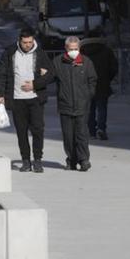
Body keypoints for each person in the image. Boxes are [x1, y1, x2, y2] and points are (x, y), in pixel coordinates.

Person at [0, 28, 54, 173]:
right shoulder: (10, 53)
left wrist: (35, 84)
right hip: (17, 99)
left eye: (30, 42)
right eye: (25, 42)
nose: (27, 45)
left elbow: (51, 73)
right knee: (21, 132)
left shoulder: (40, 53)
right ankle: (26, 160)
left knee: (38, 130)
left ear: (33, 40)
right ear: (19, 41)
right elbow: (1, 74)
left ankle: (38, 160)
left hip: (35, 99)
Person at [50, 37, 97, 171]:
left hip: (82, 105)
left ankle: (84, 160)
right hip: (65, 105)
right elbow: (49, 77)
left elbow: (92, 80)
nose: (73, 51)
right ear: (66, 48)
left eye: (76, 49)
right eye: (71, 49)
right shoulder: (58, 62)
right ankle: (71, 160)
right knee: (68, 136)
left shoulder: (86, 62)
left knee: (81, 134)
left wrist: (88, 95)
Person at [81, 38, 118, 140]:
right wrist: (108, 78)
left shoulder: (82, 51)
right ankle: (101, 128)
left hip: (86, 84)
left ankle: (91, 130)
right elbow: (114, 67)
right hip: (102, 83)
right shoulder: (106, 50)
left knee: (89, 109)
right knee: (102, 108)